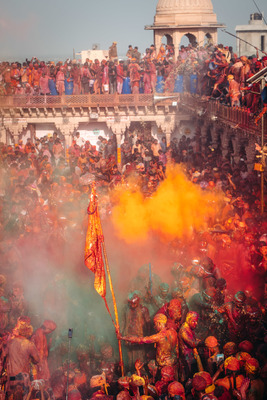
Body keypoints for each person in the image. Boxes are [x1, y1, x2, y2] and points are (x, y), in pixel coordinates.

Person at [179, 311, 202, 380]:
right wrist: (204, 343)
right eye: (194, 321)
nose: (196, 323)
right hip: (186, 359)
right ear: (188, 320)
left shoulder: (189, 328)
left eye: (197, 321)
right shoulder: (183, 330)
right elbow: (191, 343)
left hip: (190, 357)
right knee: (189, 378)